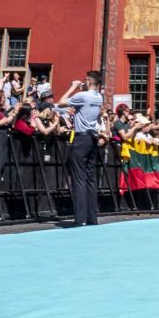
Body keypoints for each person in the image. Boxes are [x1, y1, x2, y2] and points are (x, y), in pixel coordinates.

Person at [61, 71, 105, 226]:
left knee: (79, 179)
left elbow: (61, 102)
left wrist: (73, 87)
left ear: (88, 81)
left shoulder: (83, 95)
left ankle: (80, 219)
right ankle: (92, 217)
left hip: (81, 138)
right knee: (91, 179)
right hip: (92, 138)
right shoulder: (99, 97)